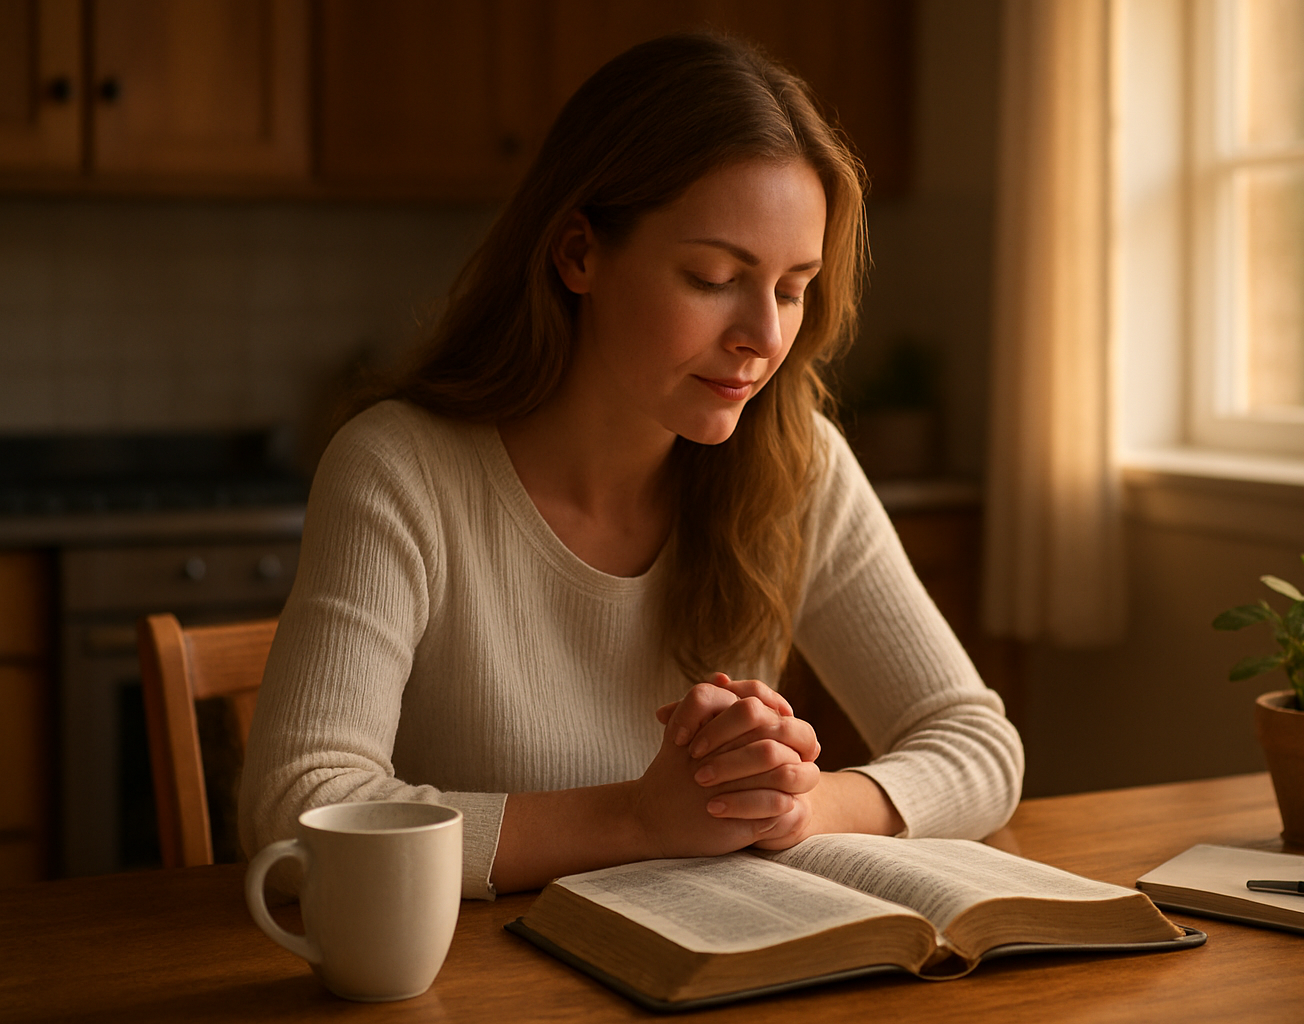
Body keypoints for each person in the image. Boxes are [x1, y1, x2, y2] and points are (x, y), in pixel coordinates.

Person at [239, 32, 1023, 899]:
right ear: (578, 253)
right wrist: (640, 820)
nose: (763, 337)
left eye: (793, 288)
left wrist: (798, 805)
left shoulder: (798, 466)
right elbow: (298, 809)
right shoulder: (400, 470)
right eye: (714, 276)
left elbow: (979, 744)